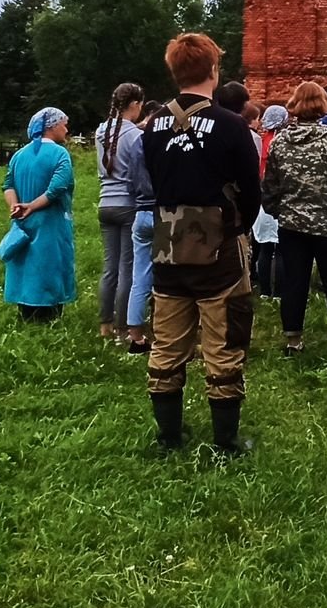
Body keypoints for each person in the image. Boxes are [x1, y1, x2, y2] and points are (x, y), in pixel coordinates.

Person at [140, 35, 262, 454]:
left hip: (168, 242)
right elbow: (252, 190)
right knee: (224, 340)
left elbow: (155, 179)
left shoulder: (153, 126)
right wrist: (239, 226)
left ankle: (169, 437)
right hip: (220, 247)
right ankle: (226, 441)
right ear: (213, 70)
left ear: (174, 71)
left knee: (167, 341)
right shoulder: (230, 124)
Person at [262, 82, 327, 356]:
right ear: (321, 105)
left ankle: (293, 341)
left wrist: (277, 210)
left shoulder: (280, 141)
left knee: (295, 282)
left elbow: (270, 185)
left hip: (291, 225)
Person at [1, 106, 77, 323]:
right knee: (49, 266)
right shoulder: (60, 154)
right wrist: (32, 206)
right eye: (64, 124)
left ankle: (25, 315)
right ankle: (49, 318)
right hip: (51, 223)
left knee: (25, 266)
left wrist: (15, 206)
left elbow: (8, 184)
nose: (66, 129)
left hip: (22, 224)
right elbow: (57, 188)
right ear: (52, 126)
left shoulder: (19, 155)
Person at [93, 83, 144, 341]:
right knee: (128, 269)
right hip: (127, 204)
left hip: (105, 203)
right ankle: (123, 328)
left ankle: (105, 325)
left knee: (109, 267)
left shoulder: (100, 131)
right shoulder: (135, 135)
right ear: (134, 104)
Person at [122, 100, 163, 354]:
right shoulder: (165, 142)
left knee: (139, 277)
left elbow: (129, 182)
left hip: (141, 212)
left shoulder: (138, 142)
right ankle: (166, 331)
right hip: (163, 212)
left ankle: (136, 337)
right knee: (169, 277)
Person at [250, 104, 288, 299]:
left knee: (265, 247)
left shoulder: (261, 140)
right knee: (280, 249)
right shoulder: (285, 142)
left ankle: (264, 291)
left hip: (263, 198)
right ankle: (280, 292)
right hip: (281, 198)